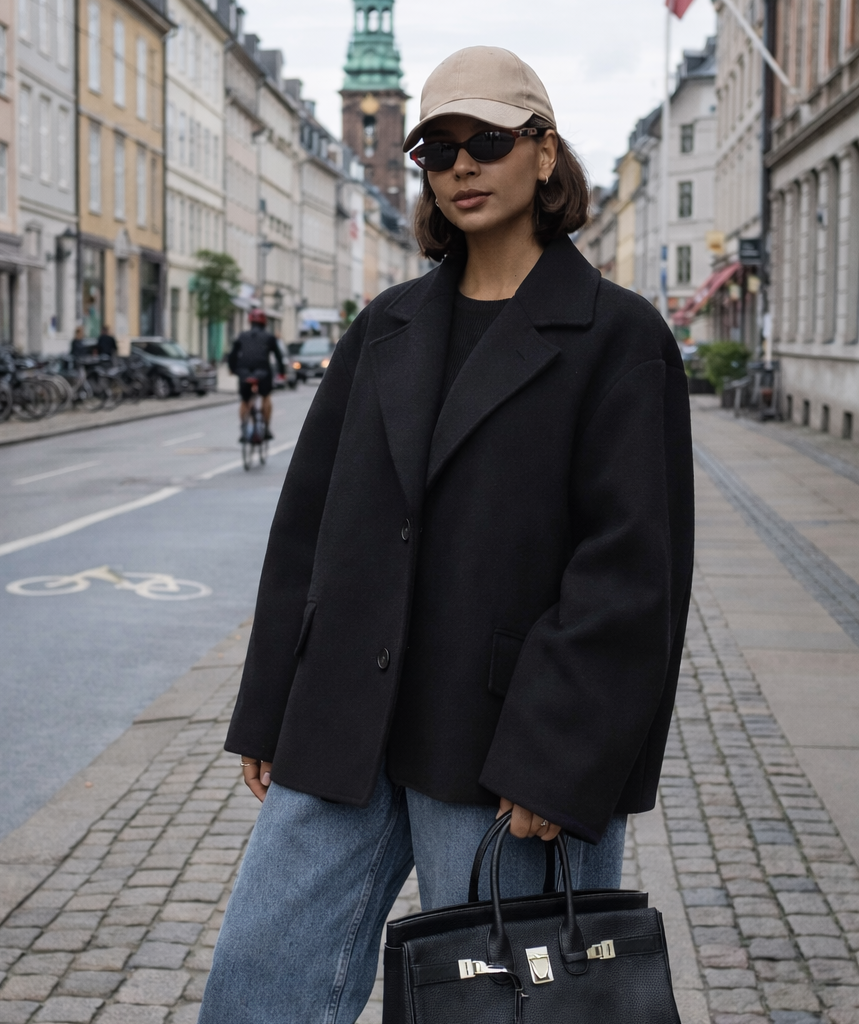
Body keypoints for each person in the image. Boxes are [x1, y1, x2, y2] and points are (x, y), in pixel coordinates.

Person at [199, 46, 694, 1024]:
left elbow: (632, 574)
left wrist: (559, 757)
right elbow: (311, 523)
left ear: (544, 155)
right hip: (347, 719)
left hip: (504, 745)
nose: (461, 163)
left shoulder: (618, 337)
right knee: (257, 987)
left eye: (489, 140)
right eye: (436, 145)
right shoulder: (385, 325)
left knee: (501, 1012)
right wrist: (265, 707)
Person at [227, 308, 285, 441]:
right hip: (263, 372)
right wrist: (281, 373)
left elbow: (232, 355)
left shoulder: (242, 336)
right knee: (266, 397)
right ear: (264, 323)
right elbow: (278, 356)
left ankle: (243, 428)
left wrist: (232, 369)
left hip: (244, 372)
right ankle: (267, 429)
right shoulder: (269, 337)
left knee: (244, 400)